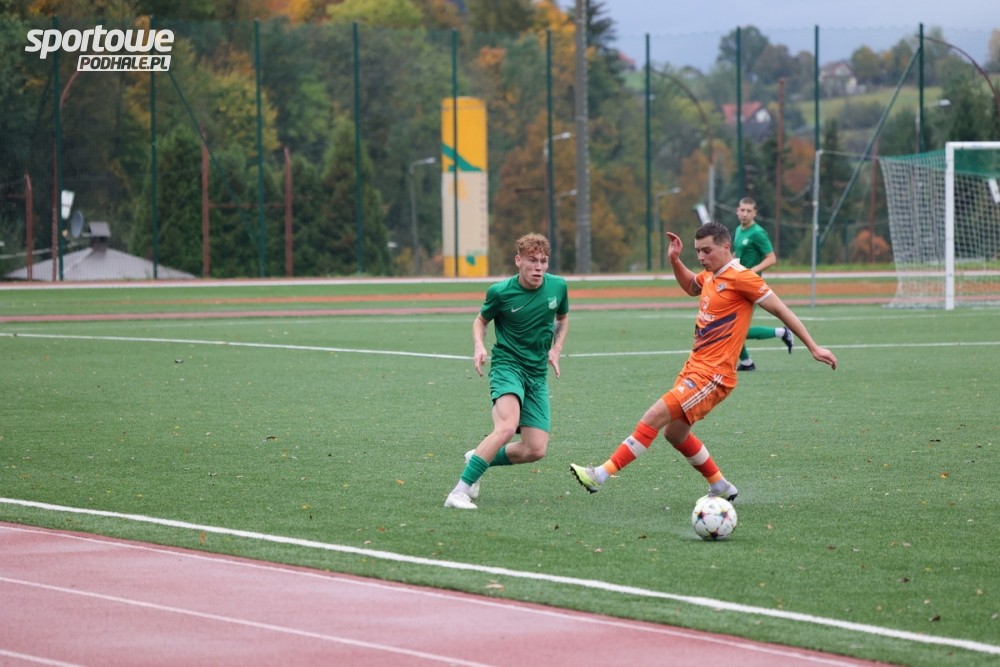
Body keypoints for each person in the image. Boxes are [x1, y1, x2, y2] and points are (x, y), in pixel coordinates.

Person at [569, 222, 837, 501]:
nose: (701, 257)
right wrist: (675, 260)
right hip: (694, 368)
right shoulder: (711, 274)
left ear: (725, 247)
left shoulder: (742, 278)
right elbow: (690, 286)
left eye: (706, 251)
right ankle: (720, 486)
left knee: (653, 417)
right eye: (697, 251)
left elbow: (781, 309)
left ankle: (600, 474)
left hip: (714, 375)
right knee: (675, 434)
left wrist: (813, 346)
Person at [444, 233, 570, 510]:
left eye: (543, 261)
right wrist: (479, 346)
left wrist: (556, 348)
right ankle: (459, 492)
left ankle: (477, 458)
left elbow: (562, 318)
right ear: (518, 261)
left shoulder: (558, 286)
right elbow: (480, 320)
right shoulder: (500, 292)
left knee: (535, 449)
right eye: (532, 260)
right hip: (507, 366)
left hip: (536, 374)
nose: (538, 267)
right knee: (506, 427)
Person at [732, 197, 793, 371]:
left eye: (748, 211)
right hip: (737, 284)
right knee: (731, 327)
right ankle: (746, 362)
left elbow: (771, 258)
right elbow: (737, 254)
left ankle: (782, 332)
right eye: (742, 210)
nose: (744, 213)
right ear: (737, 211)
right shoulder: (738, 230)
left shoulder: (758, 233)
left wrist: (752, 270)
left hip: (750, 286)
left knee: (733, 330)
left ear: (755, 213)